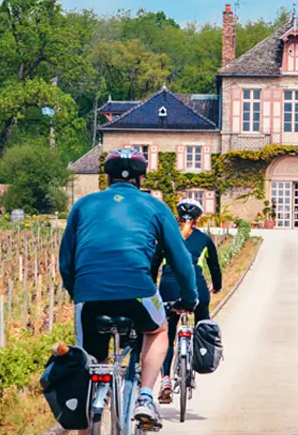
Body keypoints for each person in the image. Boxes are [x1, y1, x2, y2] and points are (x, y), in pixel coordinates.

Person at [59, 148, 198, 431]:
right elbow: (181, 260)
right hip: (138, 292)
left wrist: (78, 294)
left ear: (106, 176)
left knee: (91, 367)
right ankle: (146, 395)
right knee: (159, 330)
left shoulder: (83, 205)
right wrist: (190, 297)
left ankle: (89, 417)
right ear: (142, 177)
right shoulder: (155, 206)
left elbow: (66, 262)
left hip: (89, 296)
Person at [157, 198, 222, 404]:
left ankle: (165, 380)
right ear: (198, 219)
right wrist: (218, 286)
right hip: (197, 289)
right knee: (203, 324)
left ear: (178, 217)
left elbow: (153, 264)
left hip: (168, 288)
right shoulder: (204, 240)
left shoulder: (167, 238)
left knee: (165, 334)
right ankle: (202, 356)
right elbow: (215, 268)